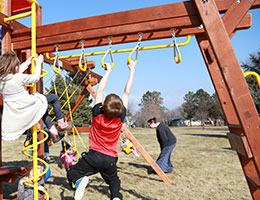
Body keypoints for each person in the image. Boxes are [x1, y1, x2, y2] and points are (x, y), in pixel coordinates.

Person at [67, 62, 136, 200]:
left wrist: (108, 71)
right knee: (114, 181)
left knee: (72, 174)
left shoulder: (98, 114)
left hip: (94, 157)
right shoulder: (119, 118)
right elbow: (127, 93)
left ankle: (80, 181)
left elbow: (99, 90)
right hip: (110, 159)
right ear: (120, 109)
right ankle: (116, 196)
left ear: (103, 105)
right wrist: (132, 70)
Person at [0, 52, 65, 142]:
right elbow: (35, 78)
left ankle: (54, 132)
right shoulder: (18, 77)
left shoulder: (2, 80)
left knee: (42, 111)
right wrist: (38, 63)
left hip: (17, 110)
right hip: (28, 104)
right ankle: (61, 123)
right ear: (13, 66)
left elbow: (15, 73)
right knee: (53, 98)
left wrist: (27, 62)